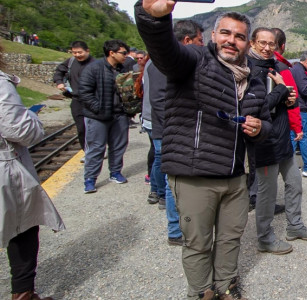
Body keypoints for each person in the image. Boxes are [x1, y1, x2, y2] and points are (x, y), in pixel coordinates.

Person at [136, 1, 272, 298]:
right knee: (197, 242)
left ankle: (226, 285)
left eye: (238, 36)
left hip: (235, 176)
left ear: (246, 43)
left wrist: (261, 129)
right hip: (194, 174)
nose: (231, 40)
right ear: (213, 35)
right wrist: (152, 18)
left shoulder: (255, 79)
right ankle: (201, 292)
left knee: (230, 239)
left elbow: (267, 123)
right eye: (225, 33)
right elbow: (164, 51)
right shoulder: (194, 60)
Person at [1, 44, 65, 300]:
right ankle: (24, 293)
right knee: (22, 228)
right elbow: (20, 130)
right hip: (5, 167)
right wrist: (33, 118)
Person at [247, 27, 307, 255]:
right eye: (262, 43)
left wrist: (288, 100)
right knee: (267, 194)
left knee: (295, 183)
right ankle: (265, 237)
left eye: (272, 44)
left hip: (282, 138)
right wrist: (280, 91)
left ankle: (295, 226)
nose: (268, 47)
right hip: (264, 142)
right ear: (252, 43)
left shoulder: (275, 67)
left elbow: (282, 102)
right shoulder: (248, 69)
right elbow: (257, 108)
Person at [142, 19, 205, 246]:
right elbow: (160, 101)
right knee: (175, 182)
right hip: (169, 130)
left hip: (169, 128)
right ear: (187, 40)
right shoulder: (164, 62)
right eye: (200, 40)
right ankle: (176, 231)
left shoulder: (165, 61)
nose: (203, 44)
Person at [78, 39, 131, 193]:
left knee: (119, 146)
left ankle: (115, 172)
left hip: (119, 115)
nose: (126, 56)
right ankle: (90, 179)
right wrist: (99, 109)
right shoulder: (93, 68)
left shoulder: (123, 69)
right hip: (97, 116)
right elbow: (85, 93)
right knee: (96, 148)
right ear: (111, 53)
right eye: (123, 53)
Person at [52, 41, 95, 162]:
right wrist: (59, 81)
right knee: (81, 128)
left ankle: (97, 150)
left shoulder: (96, 64)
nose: (77, 55)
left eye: (80, 52)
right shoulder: (70, 62)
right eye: (74, 52)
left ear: (87, 51)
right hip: (76, 100)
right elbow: (58, 71)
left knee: (94, 128)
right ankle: (87, 152)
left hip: (93, 100)